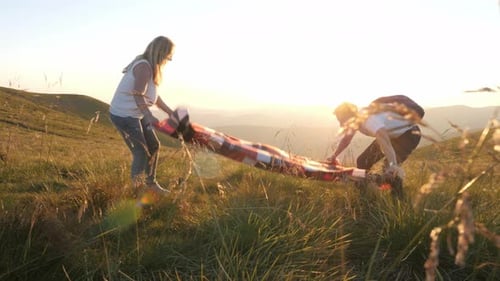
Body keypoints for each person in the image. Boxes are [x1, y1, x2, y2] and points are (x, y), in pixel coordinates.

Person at [109, 36, 175, 194]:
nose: (169, 60)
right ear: (162, 53)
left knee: (154, 146)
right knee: (141, 151)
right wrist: (148, 115)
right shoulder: (144, 67)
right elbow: (138, 94)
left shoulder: (151, 67)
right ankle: (137, 190)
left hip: (135, 114)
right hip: (124, 115)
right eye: (169, 56)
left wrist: (169, 112)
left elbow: (153, 95)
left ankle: (151, 183)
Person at [328, 99, 422, 195]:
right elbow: (346, 140)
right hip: (390, 136)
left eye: (342, 120)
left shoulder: (369, 120)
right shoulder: (355, 121)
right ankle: (363, 195)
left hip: (409, 135)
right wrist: (334, 156)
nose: (341, 124)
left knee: (389, 170)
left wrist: (392, 164)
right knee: (362, 161)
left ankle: (398, 200)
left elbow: (386, 143)